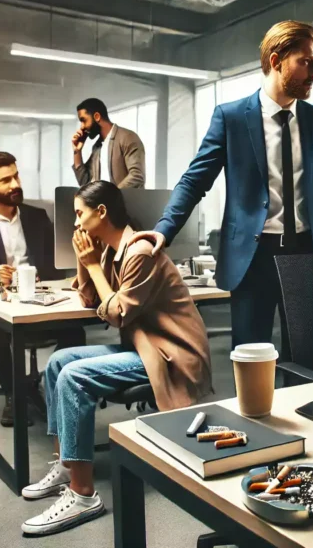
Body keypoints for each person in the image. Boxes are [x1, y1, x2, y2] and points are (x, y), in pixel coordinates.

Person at [142, 20, 313, 348]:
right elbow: (195, 179)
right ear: (276, 61)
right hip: (252, 257)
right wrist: (163, 229)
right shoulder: (230, 118)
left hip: (304, 253)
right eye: (306, 62)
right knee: (251, 360)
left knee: (307, 359)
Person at [20, 181, 212, 536]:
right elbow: (91, 302)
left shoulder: (139, 251)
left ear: (102, 212)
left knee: (72, 378)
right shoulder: (109, 251)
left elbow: (118, 313)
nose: (76, 224)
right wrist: (86, 262)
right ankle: (67, 464)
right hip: (143, 345)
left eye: (80, 214)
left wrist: (92, 265)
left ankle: (82, 495)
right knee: (59, 362)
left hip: (171, 354)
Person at [0, 152, 83, 426]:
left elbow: (56, 265)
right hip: (1, 302)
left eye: (16, 176)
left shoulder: (36, 216)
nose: (14, 185)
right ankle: (13, 393)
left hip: (37, 297)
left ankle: (49, 385)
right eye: (5, 180)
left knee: (75, 329)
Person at [72, 98, 146, 188]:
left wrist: (110, 196)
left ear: (97, 117)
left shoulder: (127, 137)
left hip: (125, 202)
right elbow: (85, 182)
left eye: (84, 120)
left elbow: (137, 176)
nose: (82, 127)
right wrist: (77, 151)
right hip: (102, 202)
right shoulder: (97, 147)